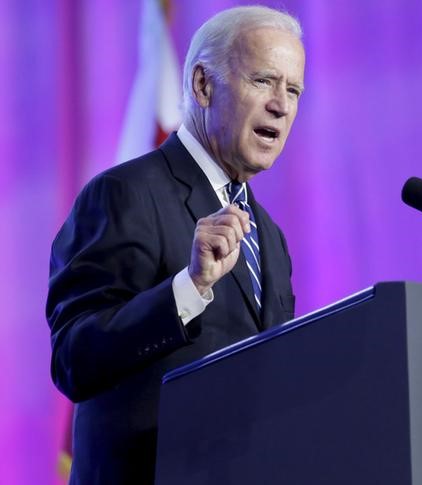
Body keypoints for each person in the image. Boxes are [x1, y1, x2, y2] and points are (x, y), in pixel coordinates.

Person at [46, 6, 305, 484]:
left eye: (293, 90)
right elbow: (74, 360)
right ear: (203, 85)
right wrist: (188, 288)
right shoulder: (125, 193)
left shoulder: (268, 236)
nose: (281, 105)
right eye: (264, 81)